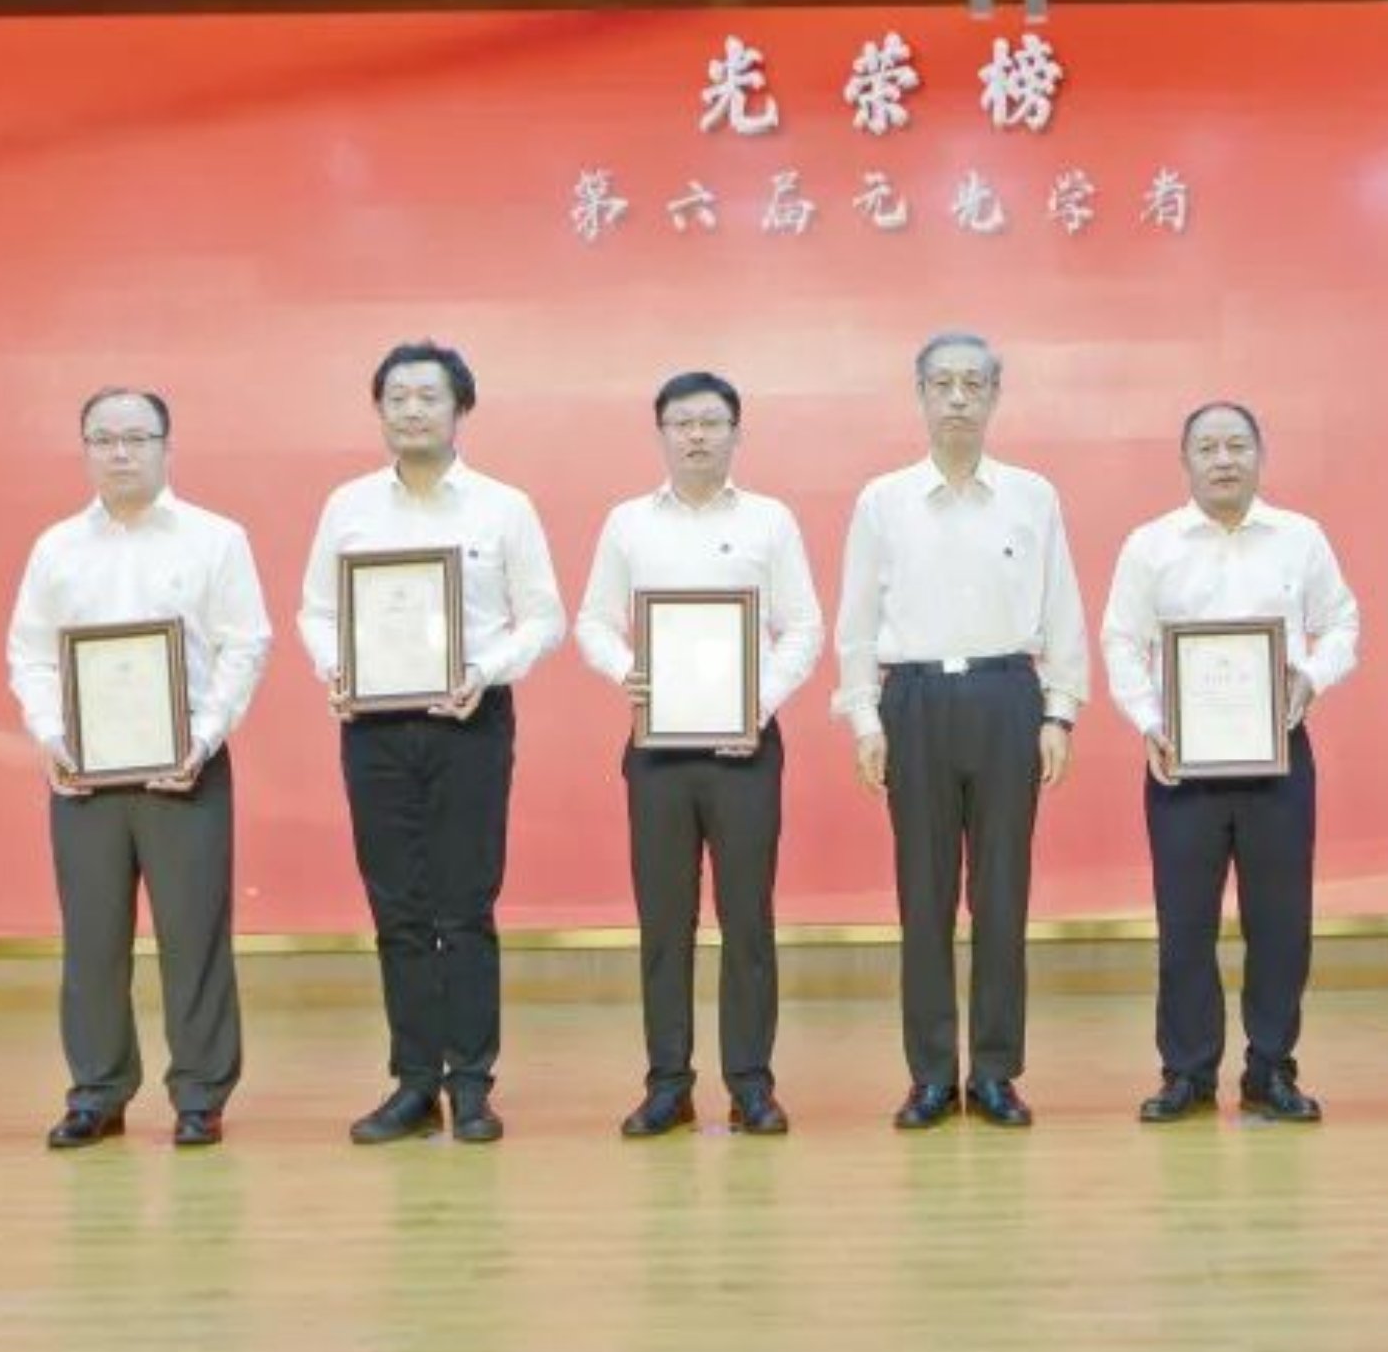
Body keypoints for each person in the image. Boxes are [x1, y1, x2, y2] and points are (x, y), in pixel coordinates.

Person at [300, 341, 566, 1147]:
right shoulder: (348, 506)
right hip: (374, 728)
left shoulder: (502, 506)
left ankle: (472, 1084)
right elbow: (317, 610)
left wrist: (485, 669)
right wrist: (338, 669)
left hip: (469, 720)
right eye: (397, 397)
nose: (412, 410)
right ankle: (414, 1083)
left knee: (466, 907)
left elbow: (544, 616)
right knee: (398, 909)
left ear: (460, 409)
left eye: (429, 396)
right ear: (379, 410)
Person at [832, 331, 1091, 1130]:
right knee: (924, 895)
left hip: (1007, 693)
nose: (956, 397)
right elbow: (855, 619)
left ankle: (996, 1071)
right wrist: (863, 716)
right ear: (919, 394)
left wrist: (1059, 710)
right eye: (941, 382)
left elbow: (1062, 607)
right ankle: (931, 1074)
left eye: (972, 384)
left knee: (1002, 894)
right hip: (912, 699)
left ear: (993, 396)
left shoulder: (1032, 496)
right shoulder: (882, 500)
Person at [8, 387, 271, 1150]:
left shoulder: (215, 538)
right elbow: (30, 652)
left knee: (194, 934)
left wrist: (205, 736)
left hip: (185, 765)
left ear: (166, 445)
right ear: (85, 449)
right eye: (103, 438)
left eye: (136, 437)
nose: (119, 452)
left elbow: (245, 643)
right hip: (83, 773)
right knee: (91, 938)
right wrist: (52, 735)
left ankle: (200, 1092)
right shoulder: (56, 547)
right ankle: (97, 1090)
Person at [572, 371, 825, 1138]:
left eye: (711, 421)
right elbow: (592, 622)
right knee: (664, 922)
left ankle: (750, 1083)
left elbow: (803, 627)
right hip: (656, 749)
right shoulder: (627, 523)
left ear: (736, 433)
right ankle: (667, 1084)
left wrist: (758, 703)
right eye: (681, 422)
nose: (696, 434)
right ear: (661, 433)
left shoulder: (769, 521)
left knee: (747, 919)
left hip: (746, 747)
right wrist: (629, 671)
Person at [1099, 400, 1360, 1125]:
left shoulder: (1300, 538)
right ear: (1184, 461)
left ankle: (1270, 1069)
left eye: (1237, 445)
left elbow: (1342, 623)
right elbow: (1120, 640)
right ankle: (1186, 1072)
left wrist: (1310, 676)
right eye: (1208, 447)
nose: (1223, 459)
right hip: (1181, 761)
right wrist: (1150, 723)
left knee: (1282, 922)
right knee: (1184, 924)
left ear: (1259, 455)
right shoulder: (1150, 544)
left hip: (1279, 754)